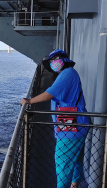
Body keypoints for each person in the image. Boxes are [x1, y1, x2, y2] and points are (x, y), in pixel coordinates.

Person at [20, 49, 90, 188]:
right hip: (72, 123)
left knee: (62, 160)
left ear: (64, 60)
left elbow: (49, 94)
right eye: (52, 61)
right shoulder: (66, 74)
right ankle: (74, 184)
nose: (54, 62)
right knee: (74, 158)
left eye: (56, 59)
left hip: (73, 126)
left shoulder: (68, 73)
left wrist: (29, 101)